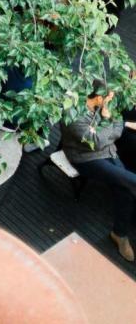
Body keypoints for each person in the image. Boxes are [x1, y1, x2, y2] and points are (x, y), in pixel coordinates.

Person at [60, 79, 136, 262]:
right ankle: (120, 234)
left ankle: (119, 233)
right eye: (108, 98)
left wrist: (108, 119)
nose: (111, 100)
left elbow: (118, 126)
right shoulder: (73, 115)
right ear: (98, 98)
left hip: (109, 150)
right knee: (131, 181)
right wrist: (109, 119)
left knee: (126, 188)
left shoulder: (105, 105)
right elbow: (97, 143)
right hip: (85, 158)